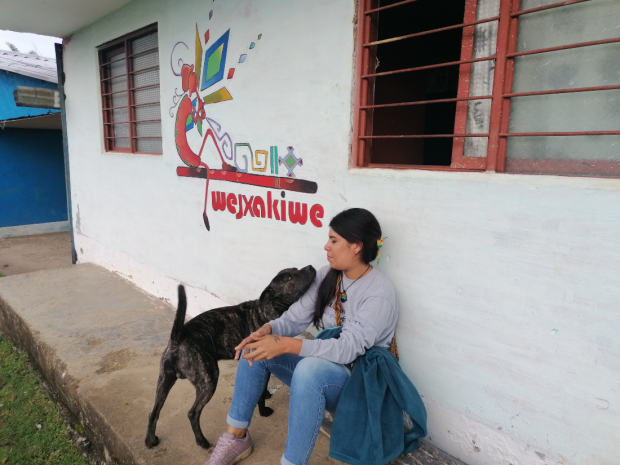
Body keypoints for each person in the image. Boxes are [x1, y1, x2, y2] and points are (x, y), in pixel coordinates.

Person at [205, 208, 399, 465]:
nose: (326, 246)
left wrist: (287, 345)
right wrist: (269, 331)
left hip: (358, 385)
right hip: (326, 370)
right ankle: (236, 438)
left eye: (333, 240)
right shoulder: (327, 275)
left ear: (356, 246)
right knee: (258, 347)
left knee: (309, 370)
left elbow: (347, 350)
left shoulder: (379, 292)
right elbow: (295, 317)